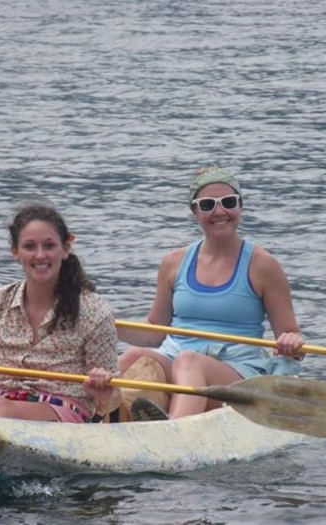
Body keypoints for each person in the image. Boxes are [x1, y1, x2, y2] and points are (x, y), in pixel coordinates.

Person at [117, 166, 305, 421]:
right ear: (195, 213)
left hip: (237, 372)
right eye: (207, 205)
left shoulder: (263, 265)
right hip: (176, 357)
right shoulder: (173, 262)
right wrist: (107, 323)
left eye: (228, 202)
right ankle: (97, 418)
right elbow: (154, 333)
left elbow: (290, 335)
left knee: (189, 361)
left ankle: (174, 433)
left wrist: (291, 342)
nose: (219, 212)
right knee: (132, 356)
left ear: (240, 207)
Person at [0, 204, 120, 423]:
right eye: (29, 246)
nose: (40, 255)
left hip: (64, 414)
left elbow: (109, 404)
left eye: (49, 246)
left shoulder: (95, 311)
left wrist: (102, 388)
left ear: (65, 249)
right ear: (15, 251)